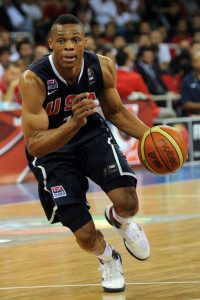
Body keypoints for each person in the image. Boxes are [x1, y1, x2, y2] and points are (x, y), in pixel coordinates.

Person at [19, 14, 150, 293]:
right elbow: (35, 145)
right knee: (85, 234)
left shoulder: (101, 67)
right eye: (62, 41)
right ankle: (108, 259)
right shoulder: (33, 79)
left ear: (84, 43)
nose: (69, 46)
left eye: (75, 40)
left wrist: (150, 136)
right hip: (52, 152)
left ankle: (120, 220)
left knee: (128, 202)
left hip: (90, 136)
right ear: (51, 43)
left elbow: (115, 111)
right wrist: (71, 123)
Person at [180, 50, 200, 116]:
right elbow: (185, 104)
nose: (199, 63)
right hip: (195, 115)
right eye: (196, 61)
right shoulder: (187, 80)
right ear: (192, 63)